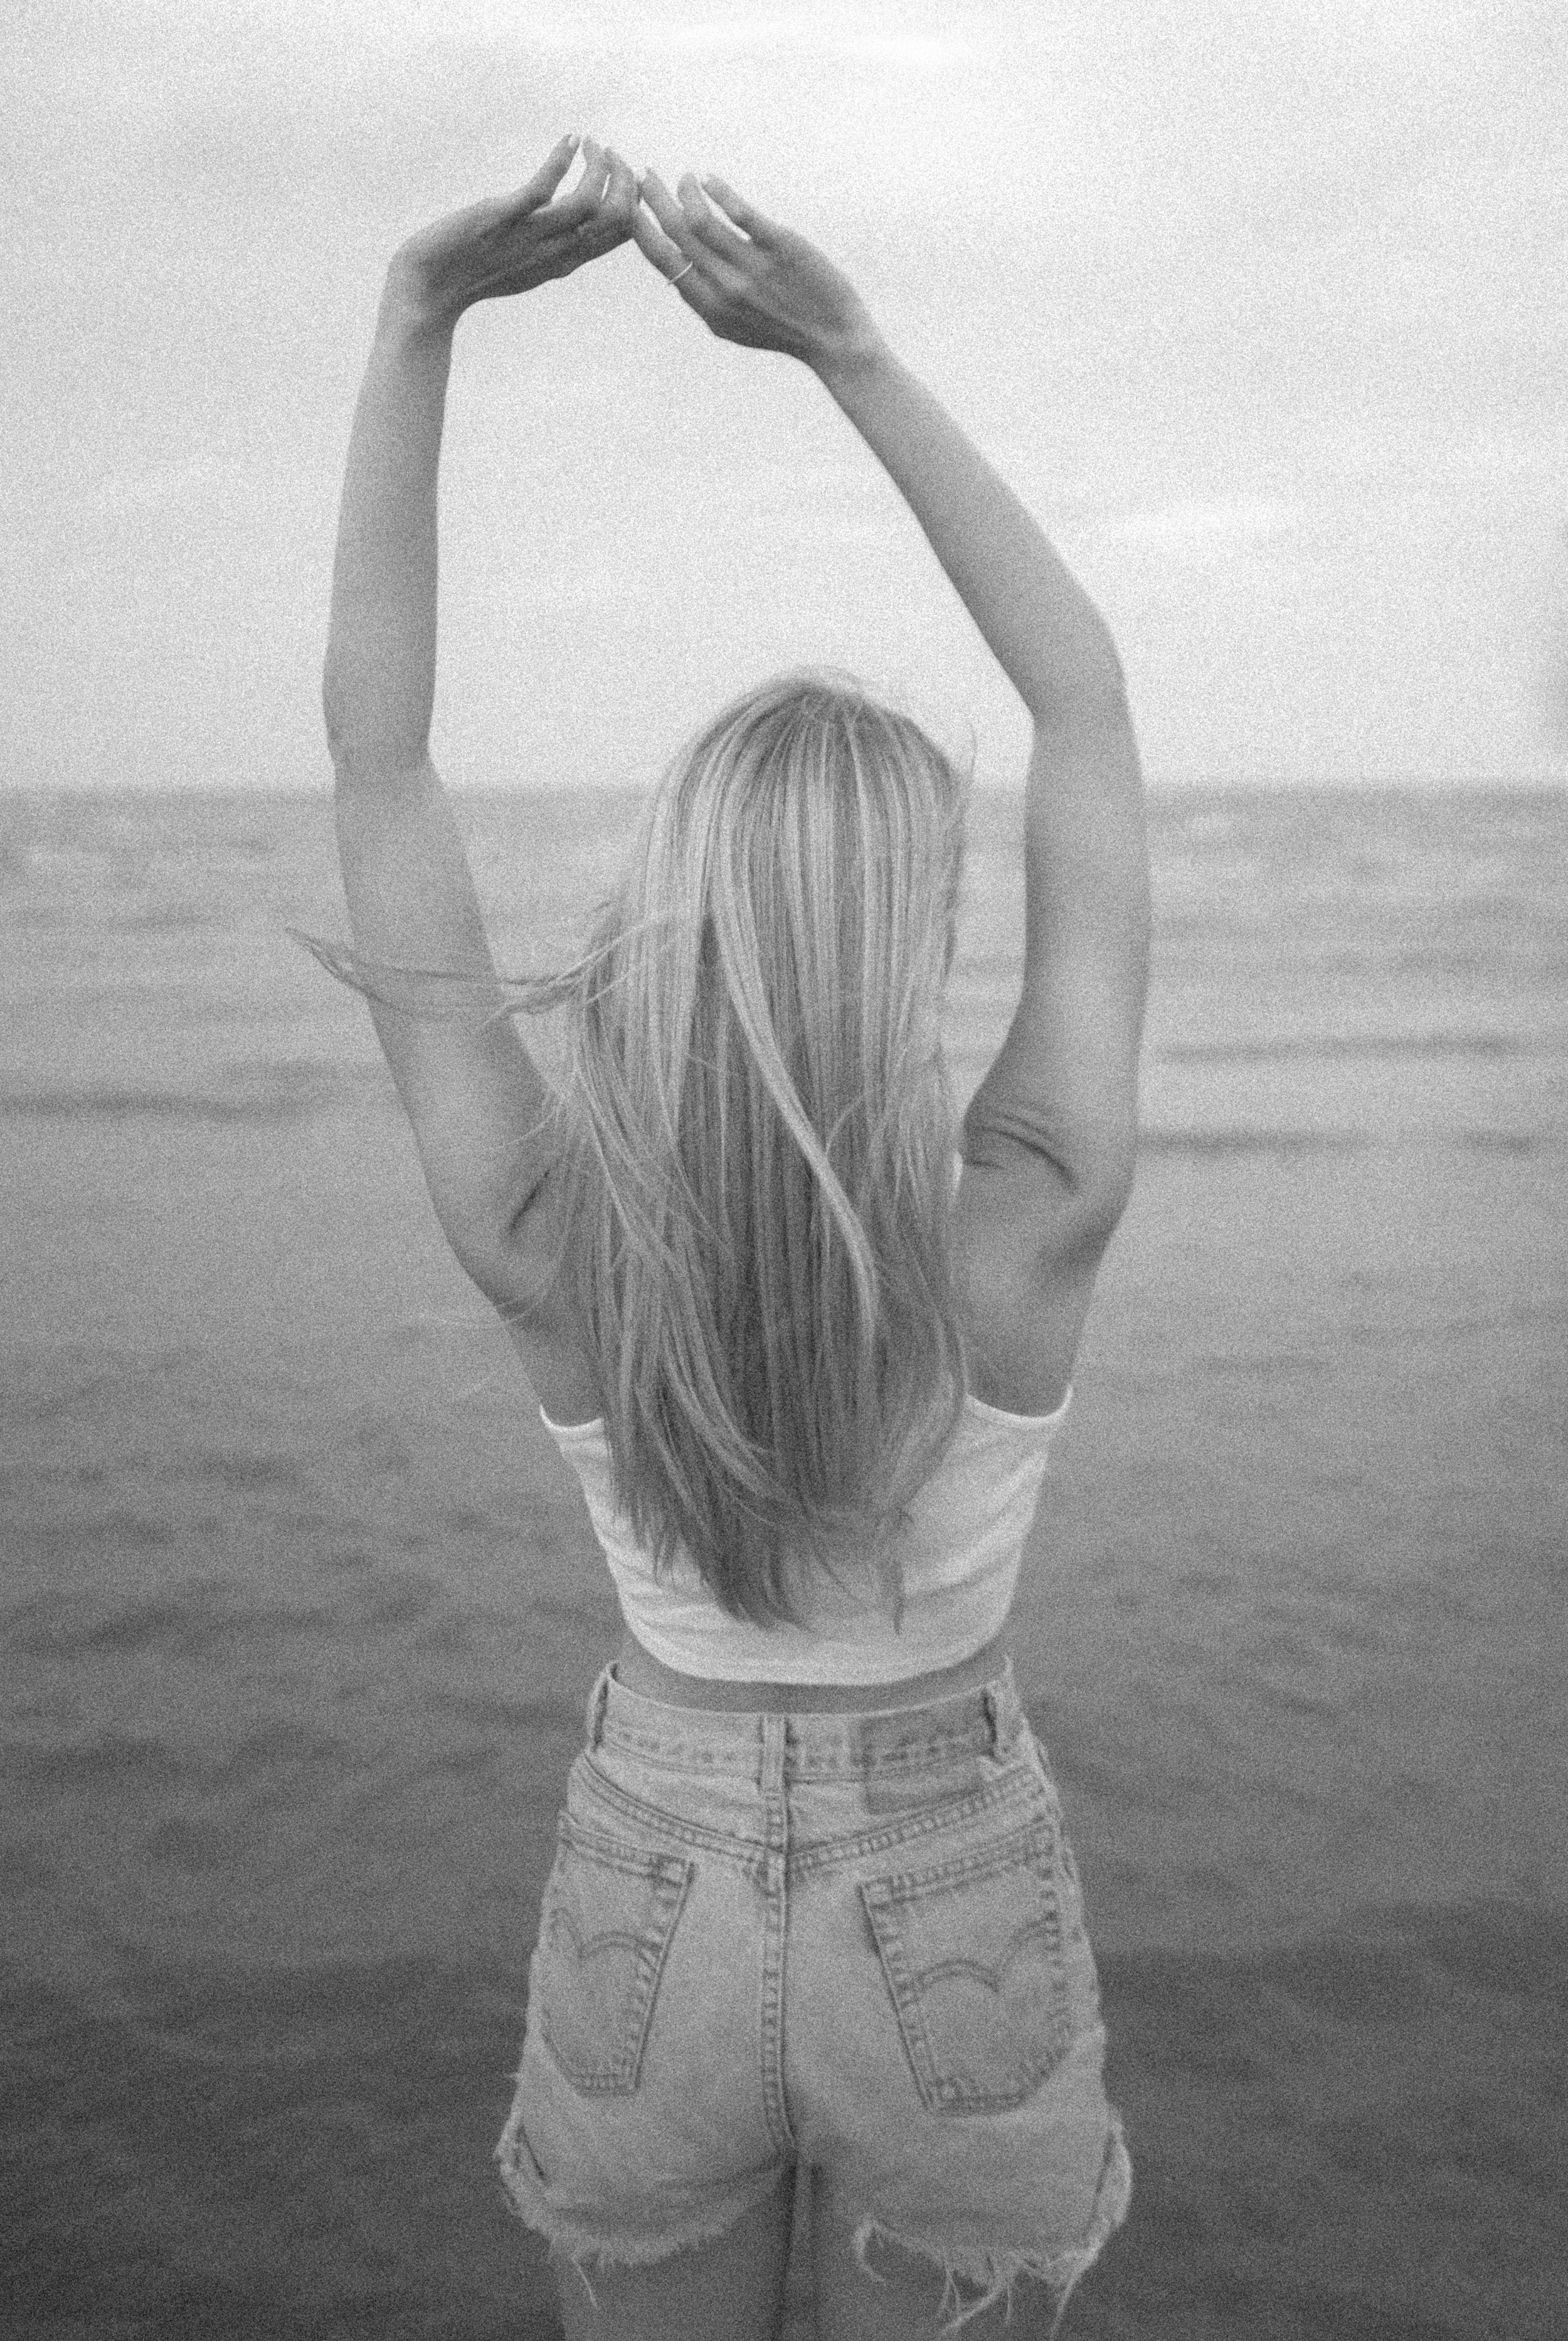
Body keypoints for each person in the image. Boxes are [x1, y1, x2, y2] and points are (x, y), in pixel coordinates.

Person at [314, 132, 1148, 2341]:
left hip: (652, 1895)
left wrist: (417, 321)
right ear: (905, 949)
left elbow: (381, 769)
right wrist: (843, 351)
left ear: (677, 918)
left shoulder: (546, 1237)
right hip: (949, 1897)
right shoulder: (1026, 1225)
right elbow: (1082, 702)